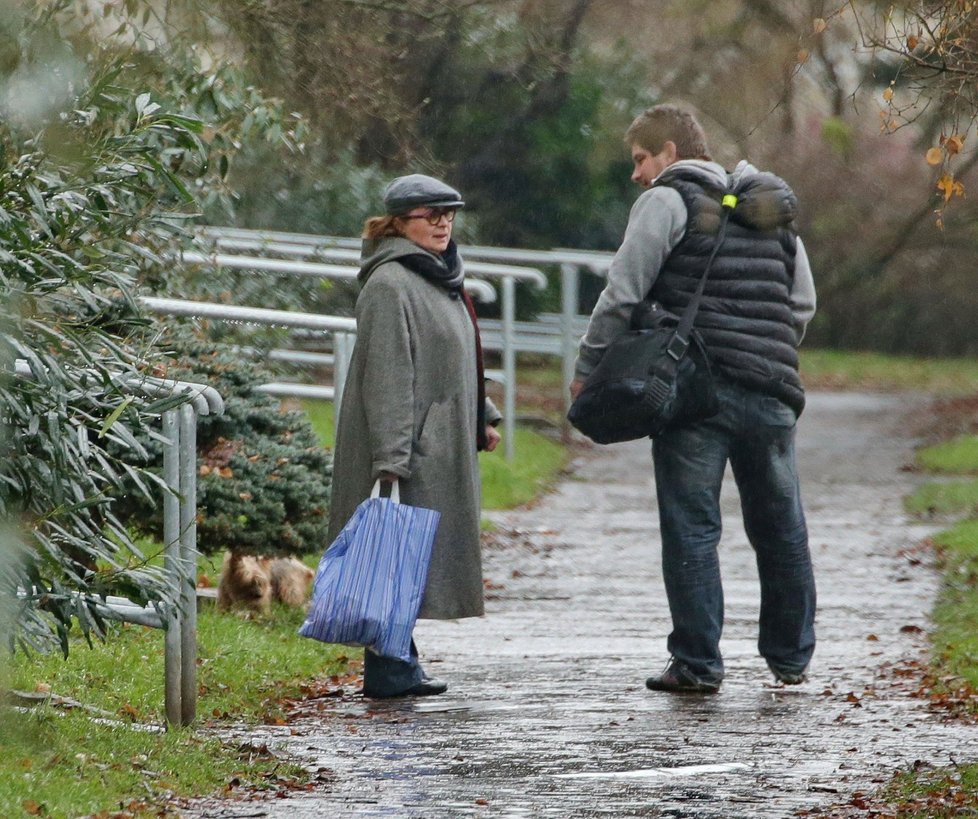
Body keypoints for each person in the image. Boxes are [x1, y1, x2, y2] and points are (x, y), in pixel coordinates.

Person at [570, 104, 817, 694]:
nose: (636, 174)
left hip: (696, 394)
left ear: (671, 153)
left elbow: (622, 293)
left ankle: (699, 664)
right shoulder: (772, 209)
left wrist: (588, 369)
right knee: (781, 525)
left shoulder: (667, 199)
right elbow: (801, 304)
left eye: (640, 159)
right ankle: (790, 658)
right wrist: (765, 351)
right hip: (772, 392)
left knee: (692, 527)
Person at [327, 173, 502, 698]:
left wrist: (483, 415)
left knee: (406, 557)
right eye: (431, 214)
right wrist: (391, 457)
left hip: (436, 438)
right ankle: (389, 669)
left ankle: (399, 663)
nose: (444, 222)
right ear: (400, 223)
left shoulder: (438, 276)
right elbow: (387, 376)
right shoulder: (390, 284)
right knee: (391, 554)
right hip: (406, 443)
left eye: (449, 213)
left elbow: (457, 353)